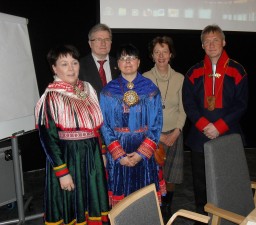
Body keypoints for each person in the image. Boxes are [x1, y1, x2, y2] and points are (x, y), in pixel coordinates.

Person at [35, 45, 109, 225]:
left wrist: (103, 152)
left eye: (74, 62)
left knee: (92, 202)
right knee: (71, 205)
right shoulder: (51, 97)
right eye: (64, 64)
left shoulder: (88, 89)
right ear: (54, 68)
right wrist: (62, 173)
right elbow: (48, 139)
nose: (71, 68)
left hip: (92, 157)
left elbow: (97, 126)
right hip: (69, 158)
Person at [182, 24, 248, 220]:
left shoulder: (238, 70)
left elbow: (241, 104)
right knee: (201, 183)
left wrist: (219, 127)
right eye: (207, 41)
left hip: (227, 134)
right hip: (199, 136)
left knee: (228, 181)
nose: (211, 45)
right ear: (202, 45)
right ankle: (203, 219)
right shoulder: (193, 72)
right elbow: (189, 103)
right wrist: (204, 125)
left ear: (224, 42)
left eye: (215, 40)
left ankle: (227, 219)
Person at [99, 43, 165, 207]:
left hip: (144, 148)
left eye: (132, 58)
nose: (128, 62)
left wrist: (142, 153)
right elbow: (104, 125)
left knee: (145, 198)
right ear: (117, 63)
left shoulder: (150, 88)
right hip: (119, 148)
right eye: (123, 58)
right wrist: (119, 155)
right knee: (123, 202)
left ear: (139, 62)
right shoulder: (108, 91)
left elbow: (156, 123)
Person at [143, 36, 186, 221]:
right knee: (153, 174)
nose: (161, 56)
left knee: (171, 176)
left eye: (165, 52)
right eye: (157, 52)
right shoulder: (144, 78)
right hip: (152, 136)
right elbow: (141, 111)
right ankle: (155, 206)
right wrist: (157, 134)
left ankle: (167, 206)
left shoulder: (179, 78)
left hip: (174, 135)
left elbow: (184, 109)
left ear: (171, 54)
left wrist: (177, 131)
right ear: (152, 56)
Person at [79, 23, 119, 97]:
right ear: (90, 43)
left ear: (111, 42)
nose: (103, 43)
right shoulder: (79, 66)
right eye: (99, 39)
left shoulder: (119, 64)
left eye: (107, 39)